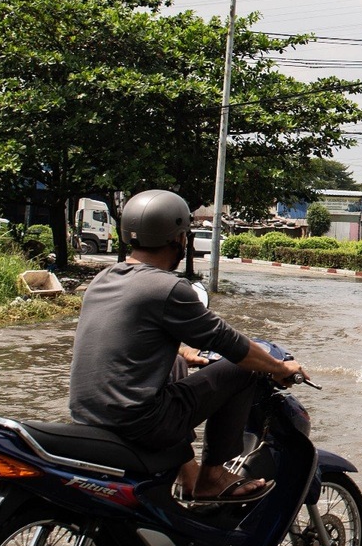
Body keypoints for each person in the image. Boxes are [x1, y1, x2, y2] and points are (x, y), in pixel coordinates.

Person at [68, 190, 306, 502]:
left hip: (87, 414)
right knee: (244, 371)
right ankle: (212, 476)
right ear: (180, 238)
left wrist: (183, 351)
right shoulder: (169, 288)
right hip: (140, 422)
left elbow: (130, 336)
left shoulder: (103, 279)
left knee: (177, 366)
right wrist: (278, 367)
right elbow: (232, 344)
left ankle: (187, 472)